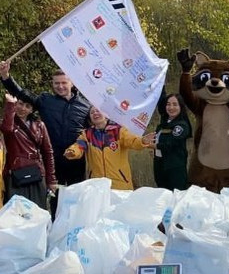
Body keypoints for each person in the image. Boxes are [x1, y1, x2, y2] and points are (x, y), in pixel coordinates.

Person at [0, 61, 90, 213]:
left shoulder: (85, 105)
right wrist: (5, 76)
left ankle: (75, 231)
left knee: (78, 200)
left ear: (72, 83)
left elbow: (96, 125)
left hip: (77, 161)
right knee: (55, 200)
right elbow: (21, 94)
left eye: (63, 83)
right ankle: (54, 229)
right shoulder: (45, 101)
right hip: (53, 159)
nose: (60, 86)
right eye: (56, 83)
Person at [64, 106, 155, 190]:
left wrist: (142, 141)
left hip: (120, 183)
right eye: (92, 113)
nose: (95, 113)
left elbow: (132, 141)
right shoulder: (87, 134)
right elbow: (79, 146)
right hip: (97, 184)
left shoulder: (118, 130)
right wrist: (72, 151)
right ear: (90, 118)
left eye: (98, 111)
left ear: (106, 115)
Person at [1, 94, 56, 209]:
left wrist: (51, 179)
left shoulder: (40, 125)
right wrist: (10, 104)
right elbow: (6, 129)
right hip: (15, 173)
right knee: (16, 213)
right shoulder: (9, 121)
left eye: (27, 106)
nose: (23, 108)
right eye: (20, 104)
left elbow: (48, 152)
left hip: (36, 173)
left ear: (32, 110)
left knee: (38, 211)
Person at [153, 91, 191, 191]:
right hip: (160, 166)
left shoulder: (182, 125)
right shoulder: (163, 123)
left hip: (175, 168)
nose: (171, 107)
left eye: (175, 104)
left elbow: (170, 144)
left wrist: (154, 146)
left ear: (181, 107)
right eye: (168, 104)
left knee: (176, 198)